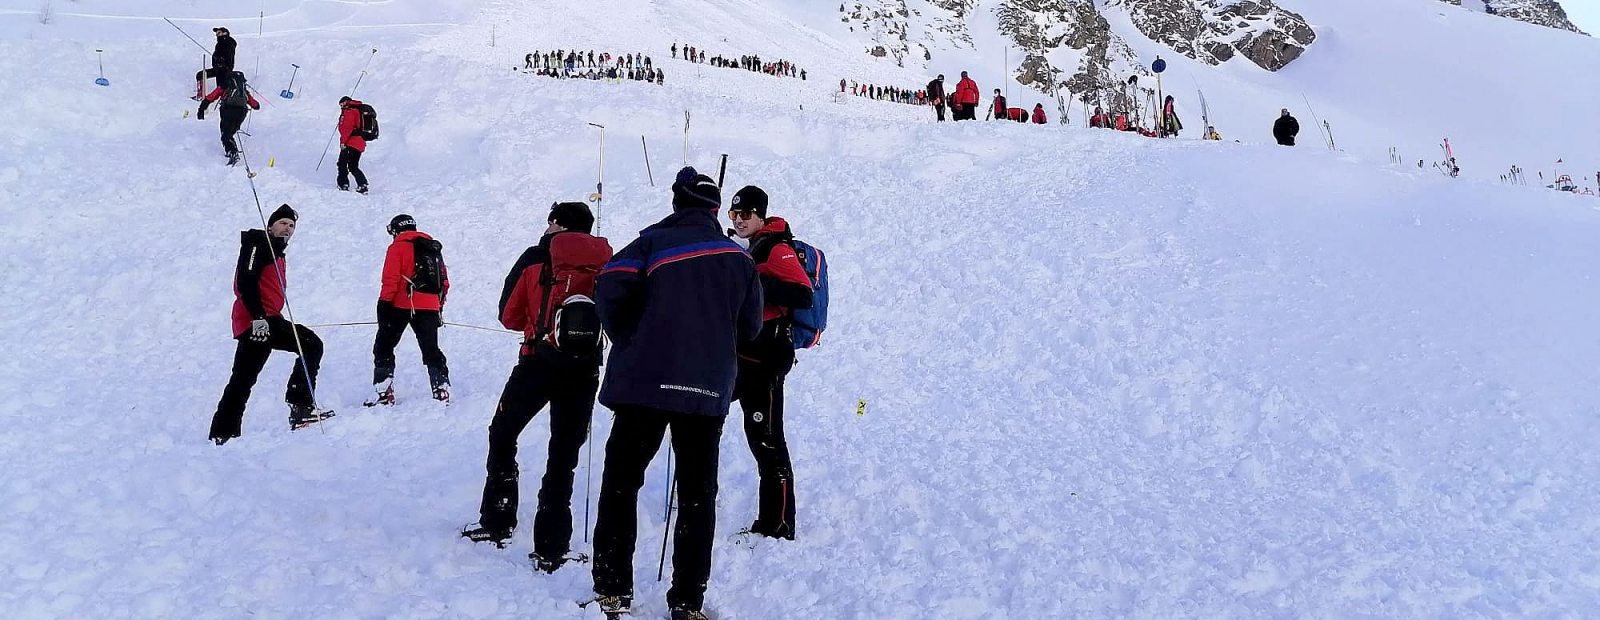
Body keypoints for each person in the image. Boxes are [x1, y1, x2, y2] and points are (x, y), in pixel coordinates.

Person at [587, 168, 763, 620]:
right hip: (706, 390)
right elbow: (750, 328)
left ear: (677, 203)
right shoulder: (740, 260)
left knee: (622, 484)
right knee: (698, 495)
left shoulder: (650, 244)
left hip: (643, 385)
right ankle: (687, 602)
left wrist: (627, 336)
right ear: (715, 209)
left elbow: (608, 286)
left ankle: (612, 590)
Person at [462, 203, 613, 572]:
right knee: (564, 454)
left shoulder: (536, 257)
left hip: (538, 360)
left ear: (557, 225)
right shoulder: (605, 261)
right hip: (584, 370)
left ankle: (498, 518)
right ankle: (551, 546)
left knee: (503, 432)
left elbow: (509, 316)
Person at [727, 186, 812, 542]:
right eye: (734, 214)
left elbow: (802, 293)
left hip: (767, 360)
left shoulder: (777, 248)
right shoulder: (752, 247)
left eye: (746, 213)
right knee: (751, 433)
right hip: (745, 355)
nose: (739, 219)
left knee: (767, 439)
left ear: (761, 214)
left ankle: (778, 523)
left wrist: (755, 282)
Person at [209, 204, 332, 445]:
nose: (288, 228)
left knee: (242, 379)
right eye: (283, 223)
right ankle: (300, 406)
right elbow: (245, 282)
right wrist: (259, 319)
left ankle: (223, 434)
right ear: (271, 225)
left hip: (260, 321)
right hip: (258, 320)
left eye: (292, 225)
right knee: (311, 344)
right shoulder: (258, 244)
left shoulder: (275, 252)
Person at [367, 214, 451, 406]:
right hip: (430, 305)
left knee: (384, 346)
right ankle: (441, 388)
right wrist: (438, 306)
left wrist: (384, 303)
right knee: (431, 348)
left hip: (401, 304)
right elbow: (444, 282)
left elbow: (390, 279)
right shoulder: (433, 248)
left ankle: (383, 392)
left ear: (395, 230)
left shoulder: (397, 246)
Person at [197, 71, 260, 167]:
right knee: (231, 132)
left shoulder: (224, 86)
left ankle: (232, 152)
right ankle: (232, 148)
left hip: (227, 110)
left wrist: (201, 110)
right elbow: (255, 105)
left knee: (225, 134)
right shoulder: (243, 91)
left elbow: (210, 97)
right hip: (241, 112)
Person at [336, 96, 370, 193]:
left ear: (345, 102)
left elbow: (347, 128)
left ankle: (343, 184)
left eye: (341, 104)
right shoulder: (358, 111)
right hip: (360, 143)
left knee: (342, 163)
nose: (341, 107)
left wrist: (343, 142)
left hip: (350, 142)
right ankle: (362, 184)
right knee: (353, 165)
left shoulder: (349, 111)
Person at [195, 27, 237, 99]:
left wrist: (223, 61)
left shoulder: (229, 42)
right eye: (216, 33)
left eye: (219, 32)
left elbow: (229, 54)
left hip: (225, 69)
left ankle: (224, 98)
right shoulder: (219, 43)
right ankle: (201, 95)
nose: (217, 34)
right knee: (200, 75)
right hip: (217, 68)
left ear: (225, 33)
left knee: (221, 86)